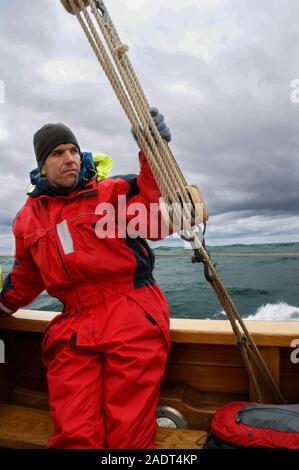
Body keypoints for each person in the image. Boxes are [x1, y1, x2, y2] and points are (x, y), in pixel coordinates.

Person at [0, 109, 172, 449]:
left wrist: (154, 152)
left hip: (132, 313)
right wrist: (2, 307)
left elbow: (157, 223)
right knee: (74, 435)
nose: (70, 158)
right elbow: (27, 276)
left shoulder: (112, 192)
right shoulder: (27, 219)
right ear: (41, 165)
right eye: (58, 153)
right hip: (75, 325)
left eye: (73, 151)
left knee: (128, 439)